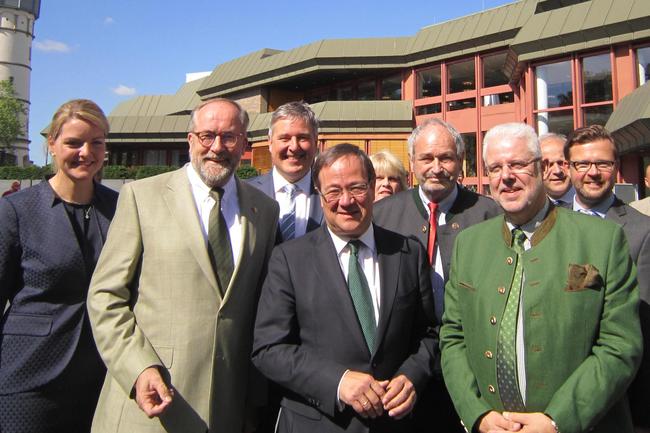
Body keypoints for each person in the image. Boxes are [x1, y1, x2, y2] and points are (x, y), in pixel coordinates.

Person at [87, 98, 279, 433]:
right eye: (207, 135)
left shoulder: (265, 210)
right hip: (151, 405)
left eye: (229, 137)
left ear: (245, 143)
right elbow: (105, 297)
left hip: (228, 409)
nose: (217, 147)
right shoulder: (141, 197)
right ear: (190, 140)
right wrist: (138, 368)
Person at [441, 122, 642, 433]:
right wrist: (476, 413)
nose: (506, 176)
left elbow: (620, 345)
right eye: (495, 168)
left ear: (540, 167)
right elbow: (453, 337)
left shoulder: (603, 239)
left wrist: (557, 420)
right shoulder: (468, 244)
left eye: (517, 164)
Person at [252, 143, 437, 433]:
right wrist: (338, 382)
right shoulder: (289, 259)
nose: (347, 201)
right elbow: (268, 348)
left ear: (373, 187)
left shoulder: (407, 252)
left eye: (357, 188)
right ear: (320, 195)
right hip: (318, 424)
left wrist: (412, 376)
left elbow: (429, 333)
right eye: (334, 191)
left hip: (395, 423)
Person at [373, 118, 500, 433]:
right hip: (400, 375)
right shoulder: (382, 216)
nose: (436, 167)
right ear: (412, 163)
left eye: (446, 158)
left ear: (460, 162)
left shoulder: (490, 214)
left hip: (472, 372)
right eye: (426, 158)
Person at [0, 99, 118, 433]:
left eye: (96, 143)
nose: (86, 152)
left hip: (100, 376)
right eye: (73, 142)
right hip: (29, 375)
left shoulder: (121, 209)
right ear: (52, 144)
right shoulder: (17, 211)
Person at [565, 124, 650, 431]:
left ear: (616, 167)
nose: (593, 172)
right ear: (569, 168)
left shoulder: (642, 231)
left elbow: (642, 326)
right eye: (583, 164)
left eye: (602, 163)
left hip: (613, 397)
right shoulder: (546, 222)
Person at [248, 101, 322, 242]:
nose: (294, 147)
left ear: (316, 142)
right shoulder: (245, 193)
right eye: (285, 138)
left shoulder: (331, 193)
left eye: (302, 138)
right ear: (270, 142)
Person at [539, 133, 574, 206]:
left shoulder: (593, 200)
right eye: (549, 165)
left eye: (561, 163)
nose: (557, 171)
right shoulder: (528, 207)